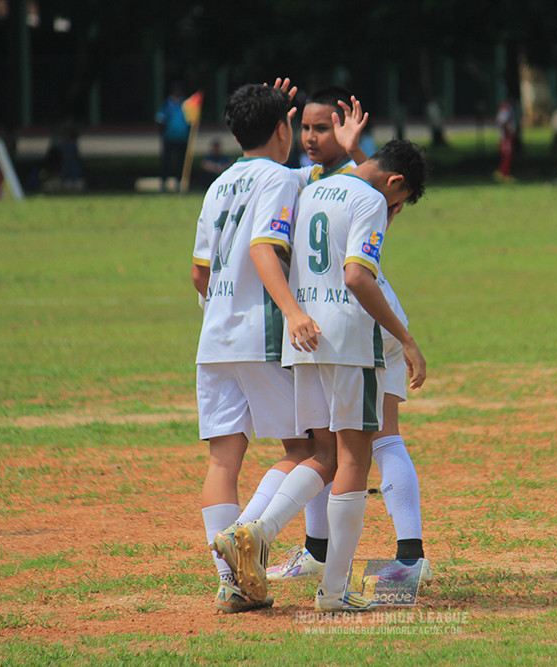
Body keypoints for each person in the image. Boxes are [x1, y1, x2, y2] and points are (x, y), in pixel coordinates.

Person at [217, 140, 429, 613]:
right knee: (355, 458)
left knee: (324, 453)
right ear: (395, 184)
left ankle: (255, 532)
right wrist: (407, 340)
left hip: (305, 337)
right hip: (352, 340)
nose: (393, 211)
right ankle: (334, 591)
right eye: (399, 202)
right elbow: (358, 276)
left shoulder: (313, 189)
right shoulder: (370, 199)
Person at [264, 88, 432, 586]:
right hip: (356, 320)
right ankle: (342, 557)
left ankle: (400, 558)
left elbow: (368, 190)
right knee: (349, 442)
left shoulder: (317, 187)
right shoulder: (341, 185)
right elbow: (370, 202)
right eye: (307, 128)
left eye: (322, 128)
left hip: (339, 322)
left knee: (355, 441)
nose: (394, 211)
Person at [192, 80, 329, 614]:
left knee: (222, 461)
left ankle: (233, 582)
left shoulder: (218, 184)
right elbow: (264, 245)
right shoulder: (281, 177)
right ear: (283, 129)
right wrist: (291, 310)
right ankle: (254, 535)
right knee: (317, 451)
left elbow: (200, 272)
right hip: (262, 335)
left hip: (215, 337)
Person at [156, 83, 191, 192]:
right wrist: (162, 134)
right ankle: (164, 183)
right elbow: (160, 119)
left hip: (182, 138)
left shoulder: (186, 103)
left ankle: (179, 183)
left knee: (180, 162)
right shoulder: (167, 104)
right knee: (167, 162)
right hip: (169, 137)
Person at [494, 96, 517, 183]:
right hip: (506, 136)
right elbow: (502, 121)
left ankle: (502, 171)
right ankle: (504, 174)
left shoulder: (508, 107)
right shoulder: (506, 107)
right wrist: (509, 131)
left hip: (507, 135)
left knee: (507, 155)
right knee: (507, 155)